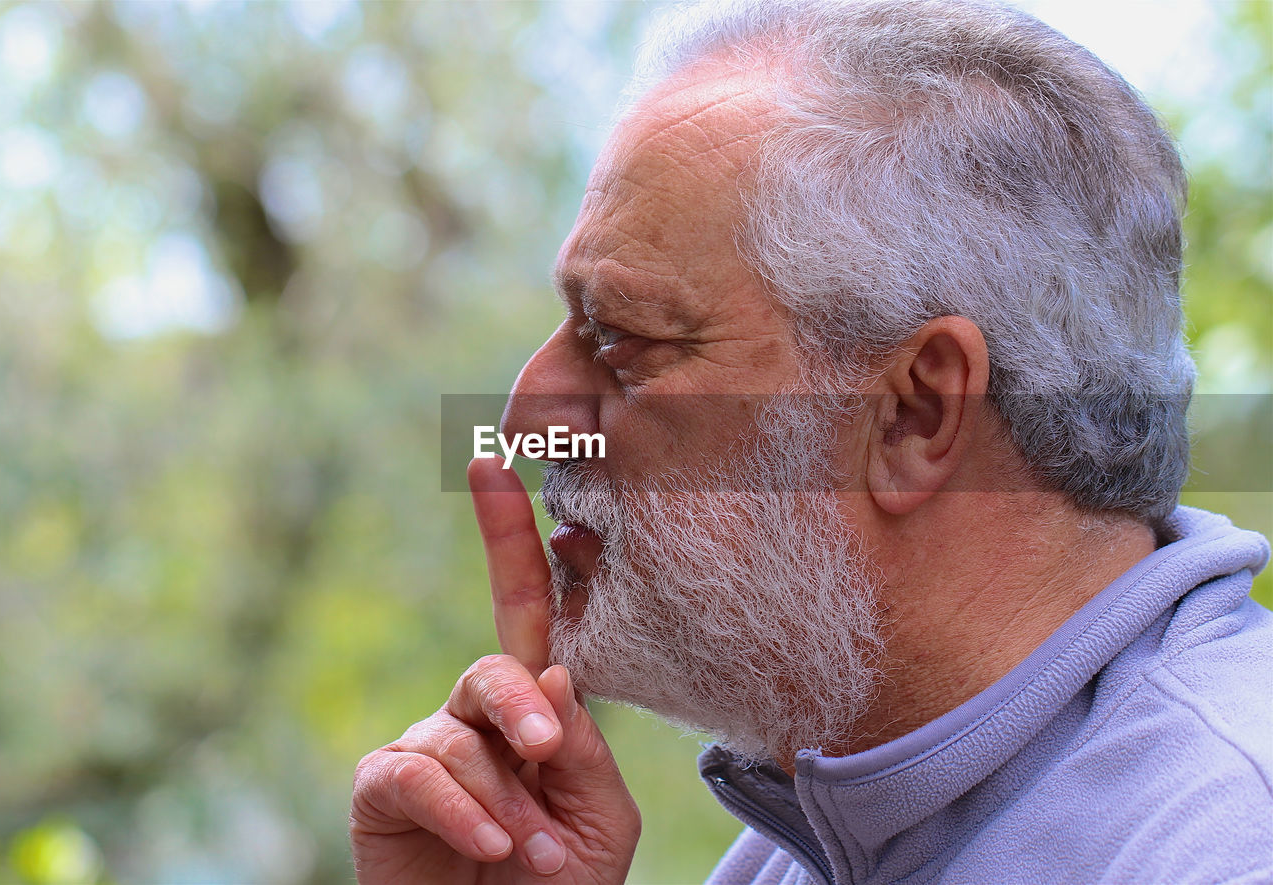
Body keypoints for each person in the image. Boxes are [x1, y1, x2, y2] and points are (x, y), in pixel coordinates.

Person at [350, 1, 1273, 881]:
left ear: (915, 411)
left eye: (623, 341)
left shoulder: (1226, 841)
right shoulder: (833, 827)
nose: (526, 420)